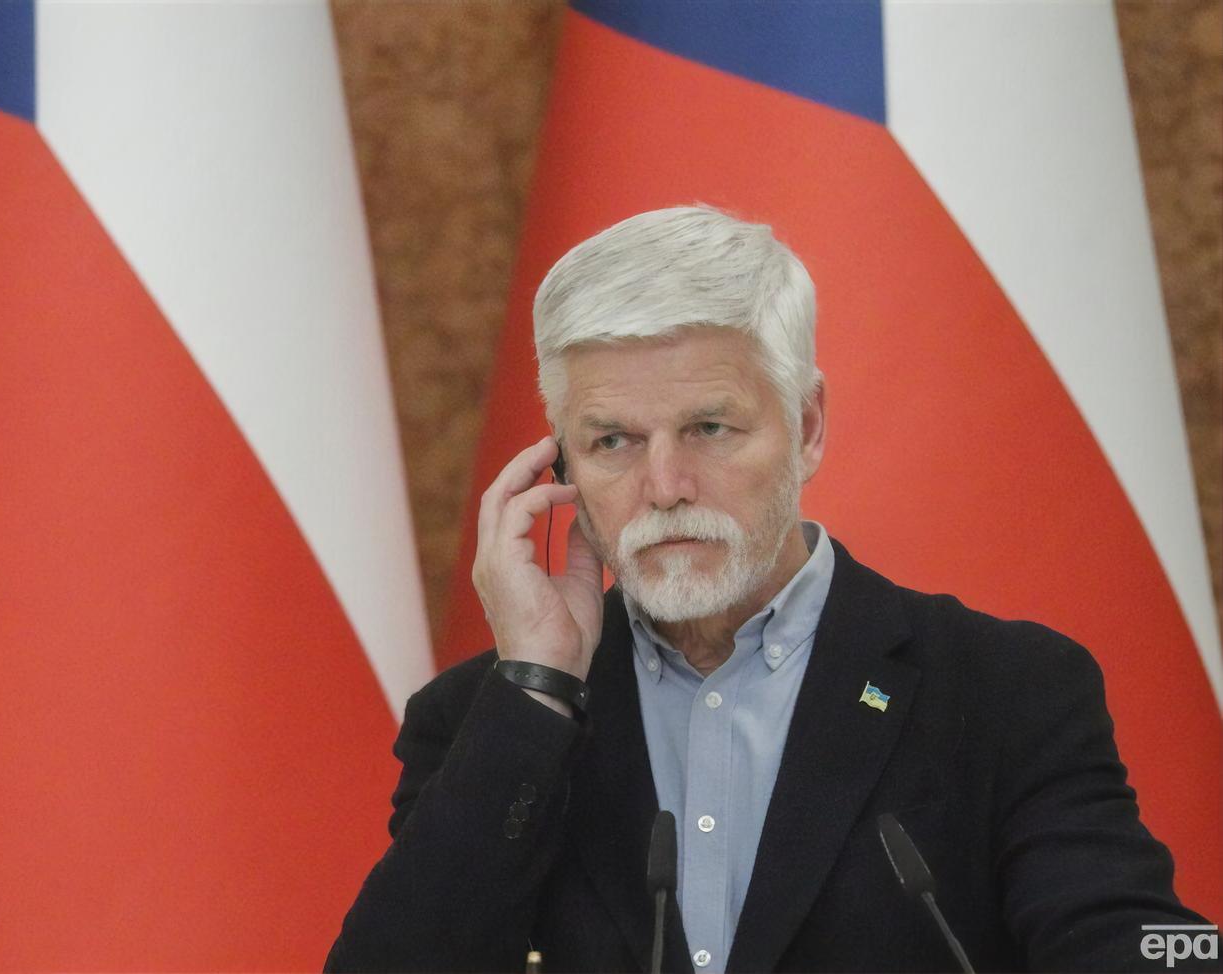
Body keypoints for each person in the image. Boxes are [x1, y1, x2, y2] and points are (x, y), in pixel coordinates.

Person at [324, 206, 1212, 972]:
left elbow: (1138, 944)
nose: (665, 486)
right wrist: (538, 688)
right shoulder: (484, 724)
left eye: (710, 428)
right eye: (613, 442)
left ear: (807, 427)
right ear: (561, 470)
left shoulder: (1003, 691)